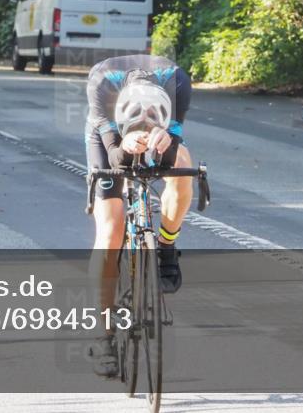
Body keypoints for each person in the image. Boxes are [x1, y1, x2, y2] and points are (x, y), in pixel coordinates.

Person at [84, 54, 193, 377]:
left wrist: (166, 141)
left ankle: (166, 246)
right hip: (108, 134)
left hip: (165, 123)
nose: (144, 121)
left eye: (150, 117)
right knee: (111, 231)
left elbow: (177, 153)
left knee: (183, 167)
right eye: (139, 117)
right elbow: (114, 155)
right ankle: (103, 335)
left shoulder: (177, 82)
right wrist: (124, 143)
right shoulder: (102, 83)